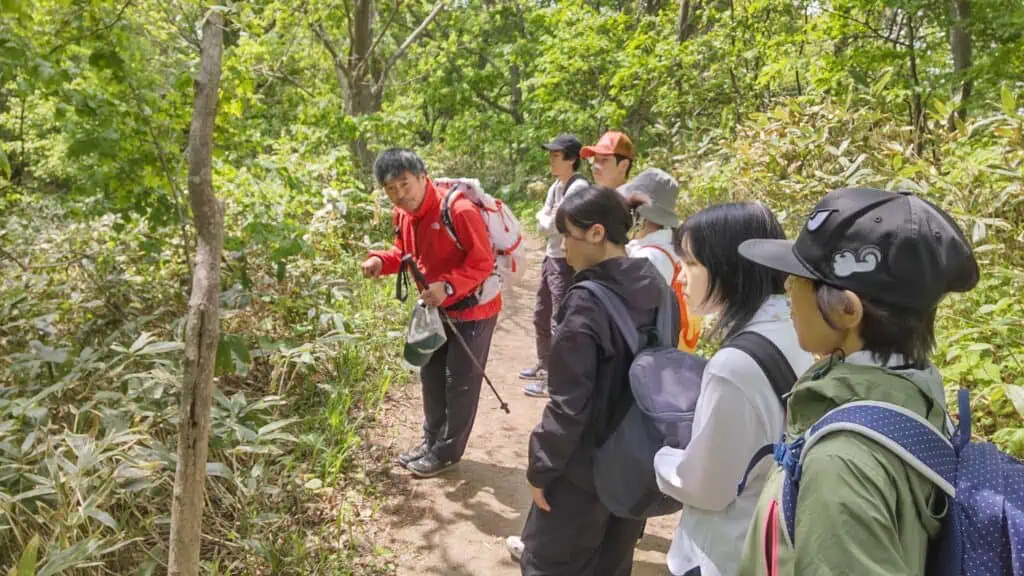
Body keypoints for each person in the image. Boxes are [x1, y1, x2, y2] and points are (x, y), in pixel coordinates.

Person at [735, 187, 979, 575]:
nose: (787, 286)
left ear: (848, 309)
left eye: (802, 278)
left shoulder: (842, 463)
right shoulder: (915, 399)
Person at [518, 185, 673, 575]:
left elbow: (569, 404)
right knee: (612, 564)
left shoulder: (586, 301)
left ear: (596, 233)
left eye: (566, 236)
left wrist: (541, 467)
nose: (563, 248)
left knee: (549, 564)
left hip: (583, 471)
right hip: (635, 464)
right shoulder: (657, 285)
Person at [652, 202, 814, 576]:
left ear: (729, 268)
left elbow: (708, 487)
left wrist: (662, 460)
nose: (680, 276)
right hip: (776, 545)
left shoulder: (735, 366)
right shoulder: (796, 329)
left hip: (723, 555)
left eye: (691, 263)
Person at [360, 148, 501, 479]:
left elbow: (482, 263)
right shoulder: (404, 216)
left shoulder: (460, 211)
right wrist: (381, 261)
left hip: (473, 311)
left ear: (423, 177)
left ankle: (448, 452)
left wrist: (449, 287)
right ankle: (431, 442)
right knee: (432, 378)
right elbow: (404, 254)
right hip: (434, 309)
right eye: (391, 189)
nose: (399, 195)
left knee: (460, 383)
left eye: (405, 184)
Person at [519, 134, 590, 397]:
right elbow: (544, 224)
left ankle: (555, 380)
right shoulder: (556, 187)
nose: (551, 159)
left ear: (572, 159)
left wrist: (546, 216)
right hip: (551, 257)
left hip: (566, 261)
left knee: (559, 319)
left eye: (556, 155)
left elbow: (552, 225)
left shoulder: (577, 188)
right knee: (541, 313)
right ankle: (545, 364)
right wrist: (546, 215)